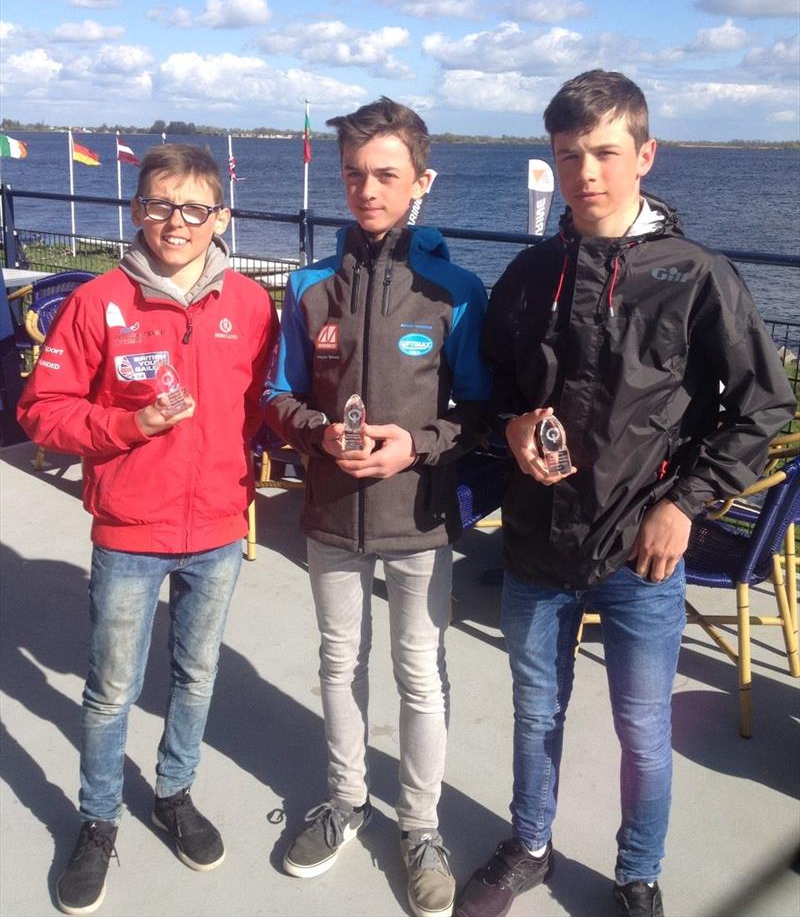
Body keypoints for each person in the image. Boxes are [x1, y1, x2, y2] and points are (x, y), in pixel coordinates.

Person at [455, 70, 796, 917]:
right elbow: (487, 390)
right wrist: (506, 429)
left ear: (645, 154)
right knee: (536, 711)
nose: (587, 173)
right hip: (537, 541)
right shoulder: (532, 273)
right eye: (569, 155)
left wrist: (685, 506)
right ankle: (530, 845)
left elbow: (764, 405)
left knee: (643, 731)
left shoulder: (695, 274)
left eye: (606, 152)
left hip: (643, 551)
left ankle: (638, 871)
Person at [18, 144, 277, 915]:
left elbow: (263, 404)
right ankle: (98, 818)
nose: (177, 222)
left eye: (196, 208)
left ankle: (174, 792)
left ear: (220, 218)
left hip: (221, 530)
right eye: (160, 205)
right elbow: (42, 410)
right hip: (130, 531)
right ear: (135, 211)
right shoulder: (98, 301)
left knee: (195, 678)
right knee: (110, 692)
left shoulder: (252, 306)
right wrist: (128, 427)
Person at [265, 97, 490, 917]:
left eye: (386, 174)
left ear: (421, 182)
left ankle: (421, 827)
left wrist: (416, 445)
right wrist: (319, 431)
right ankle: (347, 799)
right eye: (355, 174)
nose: (367, 189)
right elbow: (276, 393)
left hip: (420, 519)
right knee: (337, 664)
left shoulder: (455, 290)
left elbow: (478, 411)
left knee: (419, 678)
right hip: (331, 517)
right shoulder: (309, 285)